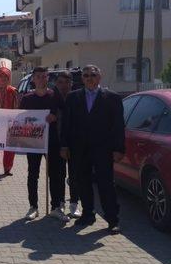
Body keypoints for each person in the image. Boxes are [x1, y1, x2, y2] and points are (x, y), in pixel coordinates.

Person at [60, 65, 125, 234]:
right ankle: (88, 214)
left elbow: (118, 126)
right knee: (83, 183)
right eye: (86, 75)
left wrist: (119, 148)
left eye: (93, 75)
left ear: (99, 77)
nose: (90, 78)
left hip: (103, 149)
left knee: (106, 184)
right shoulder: (73, 97)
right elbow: (67, 124)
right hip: (79, 149)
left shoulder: (112, 98)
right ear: (82, 78)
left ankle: (112, 220)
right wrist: (64, 145)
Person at [19, 67, 69, 222]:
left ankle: (57, 207)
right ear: (33, 79)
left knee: (56, 175)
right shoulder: (27, 98)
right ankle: (33, 207)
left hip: (53, 141)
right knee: (33, 174)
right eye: (38, 76)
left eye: (44, 76)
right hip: (33, 142)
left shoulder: (55, 95)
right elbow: (20, 119)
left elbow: (65, 114)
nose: (41, 79)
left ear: (48, 78)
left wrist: (55, 116)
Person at [53, 71, 81, 218]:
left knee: (75, 175)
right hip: (56, 143)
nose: (63, 85)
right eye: (60, 82)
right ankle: (60, 203)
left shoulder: (78, 98)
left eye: (66, 82)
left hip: (75, 143)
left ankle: (75, 203)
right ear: (56, 84)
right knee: (58, 175)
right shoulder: (51, 98)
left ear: (71, 83)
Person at [0, 58, 19, 177]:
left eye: (5, 78)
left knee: (10, 146)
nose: (3, 80)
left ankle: (7, 168)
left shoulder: (13, 91)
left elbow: (16, 107)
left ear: (8, 79)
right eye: (1, 78)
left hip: (9, 123)